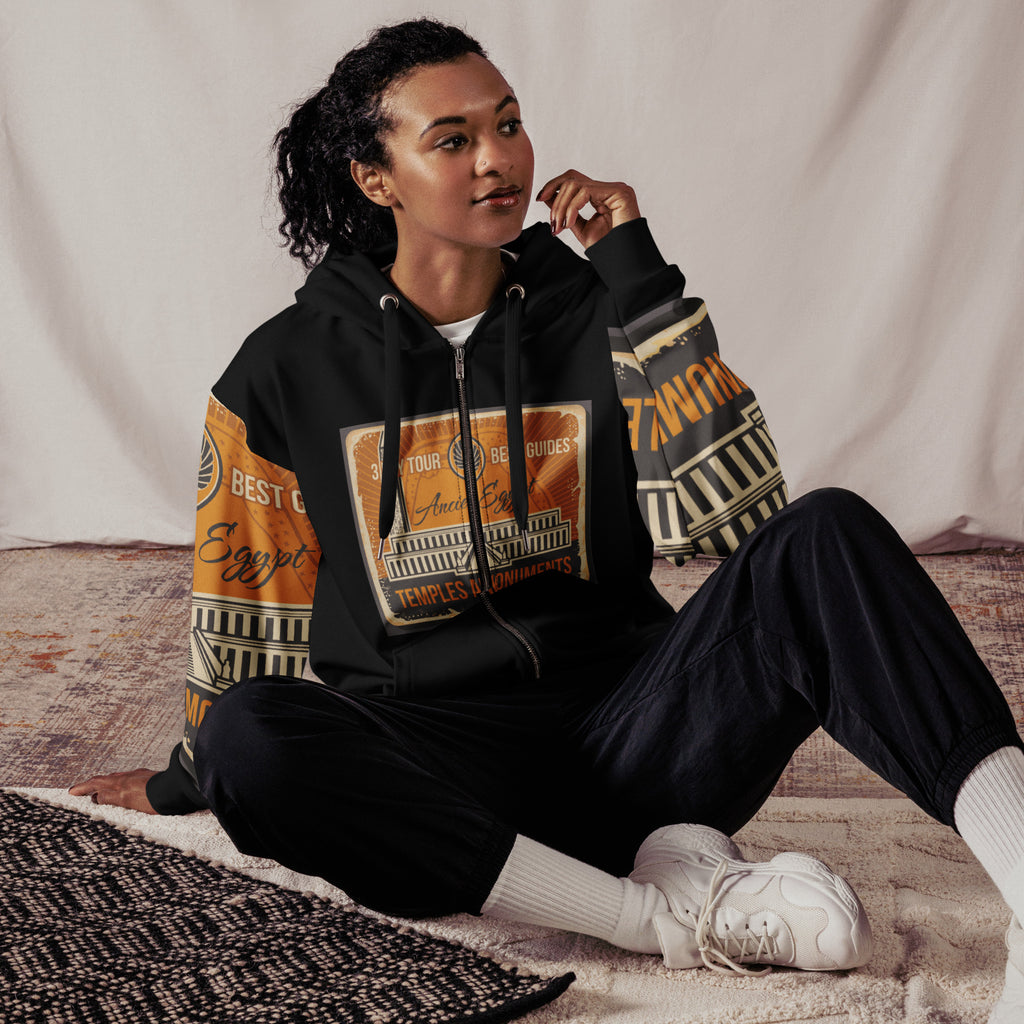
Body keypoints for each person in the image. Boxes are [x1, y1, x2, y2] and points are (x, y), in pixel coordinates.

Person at [71, 19, 1024, 1019]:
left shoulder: (600, 306)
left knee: (826, 533)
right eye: (452, 140)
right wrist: (189, 778)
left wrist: (636, 274)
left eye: (509, 124)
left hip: (643, 736)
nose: (498, 160)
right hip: (441, 783)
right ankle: (653, 913)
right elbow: (247, 604)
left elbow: (729, 514)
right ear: (375, 178)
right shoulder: (284, 369)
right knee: (247, 734)